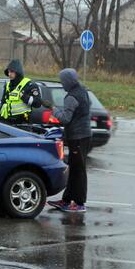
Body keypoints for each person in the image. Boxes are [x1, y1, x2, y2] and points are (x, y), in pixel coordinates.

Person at [47, 68, 92, 213]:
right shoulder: (83, 91)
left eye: (62, 81)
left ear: (67, 81)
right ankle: (66, 200)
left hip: (77, 138)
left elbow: (65, 118)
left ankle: (79, 203)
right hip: (84, 136)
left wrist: (54, 109)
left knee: (78, 171)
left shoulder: (71, 97)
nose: (62, 84)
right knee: (74, 169)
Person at [0, 59, 42, 125]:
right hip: (6, 123)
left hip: (22, 124)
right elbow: (3, 103)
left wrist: (24, 97)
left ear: (18, 72)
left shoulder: (29, 85)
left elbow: (38, 103)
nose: (9, 74)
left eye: (12, 72)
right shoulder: (7, 86)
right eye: (8, 72)